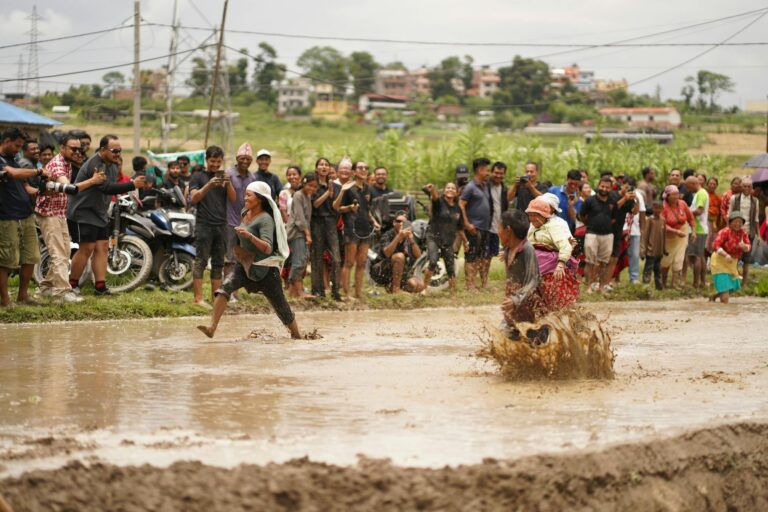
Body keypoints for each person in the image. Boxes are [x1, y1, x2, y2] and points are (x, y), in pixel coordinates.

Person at [197, 181, 300, 339]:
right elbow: (240, 236)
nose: (244, 198)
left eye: (248, 195)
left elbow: (267, 247)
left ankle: (297, 335)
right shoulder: (245, 212)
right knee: (224, 289)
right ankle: (211, 328)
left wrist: (250, 237)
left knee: (281, 306)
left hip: (266, 269)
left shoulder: (266, 219)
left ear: (259, 198)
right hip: (245, 265)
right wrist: (238, 247)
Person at [67, 135, 145, 295]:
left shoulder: (113, 165)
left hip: (100, 213)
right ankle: (72, 284)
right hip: (83, 212)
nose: (118, 154)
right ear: (103, 150)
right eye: (114, 150)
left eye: (120, 151)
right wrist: (132, 185)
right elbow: (106, 187)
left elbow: (112, 187)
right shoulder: (96, 164)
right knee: (86, 248)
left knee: (102, 247)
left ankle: (100, 286)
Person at [35, 134, 105, 304]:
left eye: (79, 149)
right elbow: (71, 189)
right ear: (62, 148)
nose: (77, 152)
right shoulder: (58, 165)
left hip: (60, 213)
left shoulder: (68, 163)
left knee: (65, 252)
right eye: (72, 148)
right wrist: (93, 180)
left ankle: (45, 289)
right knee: (58, 254)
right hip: (48, 214)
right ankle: (61, 293)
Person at [0, 128, 49, 307]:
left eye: (21, 147)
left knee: (31, 256)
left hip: (26, 214)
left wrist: (42, 191)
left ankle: (23, 296)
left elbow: (26, 187)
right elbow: (13, 173)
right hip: (6, 217)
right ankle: (5, 300)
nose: (18, 150)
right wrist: (38, 172)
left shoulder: (15, 160)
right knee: (6, 260)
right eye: (17, 146)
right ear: (6, 141)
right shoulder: (3, 162)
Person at [189, 145, 236, 306]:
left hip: (221, 225)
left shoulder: (225, 177)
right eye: (212, 161)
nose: (215, 165)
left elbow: (233, 199)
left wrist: (229, 184)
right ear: (206, 160)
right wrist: (209, 184)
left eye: (218, 161)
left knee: (218, 263)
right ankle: (198, 299)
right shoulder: (197, 176)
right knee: (201, 261)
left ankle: (216, 299)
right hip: (204, 225)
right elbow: (194, 199)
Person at [335, 160, 379, 300]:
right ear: (354, 171)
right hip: (351, 228)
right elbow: (337, 207)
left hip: (366, 229)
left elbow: (367, 210)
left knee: (362, 263)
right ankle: (347, 294)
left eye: (366, 168)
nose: (363, 170)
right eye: (360, 168)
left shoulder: (368, 189)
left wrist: (374, 221)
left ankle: (358, 293)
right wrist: (349, 208)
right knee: (349, 262)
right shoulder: (348, 188)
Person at [525, 198, 580, 311]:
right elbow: (526, 242)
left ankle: (564, 319)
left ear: (545, 215)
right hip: (533, 264)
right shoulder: (532, 225)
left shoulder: (556, 225)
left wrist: (560, 264)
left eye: (536, 215)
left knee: (555, 297)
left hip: (551, 266)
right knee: (530, 296)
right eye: (530, 215)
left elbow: (565, 245)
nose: (532, 218)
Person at [224, 143, 257, 299]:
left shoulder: (253, 177)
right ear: (238, 159)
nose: (245, 161)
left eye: (248, 159)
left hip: (246, 223)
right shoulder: (228, 174)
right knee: (230, 258)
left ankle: (235, 292)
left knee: (242, 258)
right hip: (230, 221)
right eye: (242, 158)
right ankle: (227, 291)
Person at [500, 209, 541, 327]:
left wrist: (516, 299)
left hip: (527, 307)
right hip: (513, 310)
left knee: (529, 335)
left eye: (499, 229)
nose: (498, 233)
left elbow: (534, 280)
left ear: (508, 230)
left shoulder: (527, 249)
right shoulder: (508, 250)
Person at [309, 157, 342, 300]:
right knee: (317, 258)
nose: (324, 167)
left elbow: (337, 206)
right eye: (321, 165)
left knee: (336, 258)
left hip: (331, 223)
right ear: (316, 168)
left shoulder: (336, 186)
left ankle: (335, 291)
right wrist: (327, 193)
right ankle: (318, 290)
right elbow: (315, 204)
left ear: (329, 169)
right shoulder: (313, 185)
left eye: (326, 165)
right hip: (316, 221)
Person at [423, 182, 464, 295]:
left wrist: (466, 242)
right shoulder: (439, 202)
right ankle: (423, 288)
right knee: (433, 261)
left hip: (447, 240)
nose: (450, 190)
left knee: (450, 267)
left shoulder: (457, 209)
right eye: (448, 188)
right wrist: (433, 189)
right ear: (444, 190)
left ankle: (453, 293)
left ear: (457, 192)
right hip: (433, 237)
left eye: (453, 188)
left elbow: (460, 228)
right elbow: (435, 197)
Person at [372, 211, 424, 293]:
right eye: (398, 221)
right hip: (382, 271)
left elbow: (418, 255)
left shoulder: (409, 236)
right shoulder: (388, 235)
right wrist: (399, 236)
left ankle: (392, 287)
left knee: (420, 285)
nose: (401, 224)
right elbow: (387, 253)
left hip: (401, 272)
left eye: (404, 222)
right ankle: (395, 289)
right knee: (399, 256)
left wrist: (411, 240)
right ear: (394, 222)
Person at [459, 157, 492, 290]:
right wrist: (467, 224)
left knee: (479, 256)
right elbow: (461, 204)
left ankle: (475, 283)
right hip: (473, 227)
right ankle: (470, 285)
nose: (488, 173)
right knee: (471, 257)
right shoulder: (470, 187)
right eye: (487, 170)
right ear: (479, 170)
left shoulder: (484, 186)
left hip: (484, 227)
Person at [579, 176, 616, 293]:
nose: (604, 189)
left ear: (610, 188)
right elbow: (581, 215)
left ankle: (601, 286)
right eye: (602, 186)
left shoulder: (612, 201)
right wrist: (590, 224)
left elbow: (614, 218)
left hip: (608, 235)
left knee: (604, 262)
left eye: (607, 187)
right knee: (590, 261)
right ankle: (589, 286)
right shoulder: (590, 200)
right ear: (598, 186)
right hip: (592, 233)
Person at [286, 173, 317, 298]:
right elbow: (299, 218)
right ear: (304, 183)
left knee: (302, 260)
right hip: (297, 232)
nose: (312, 188)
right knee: (299, 261)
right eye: (310, 185)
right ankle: (299, 291)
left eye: (315, 187)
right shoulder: (298, 195)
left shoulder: (308, 196)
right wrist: (308, 234)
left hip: (303, 232)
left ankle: (293, 292)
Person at [709, 211, 751, 303]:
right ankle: (724, 314)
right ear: (730, 222)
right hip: (720, 261)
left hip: (732, 262)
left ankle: (713, 296)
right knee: (725, 297)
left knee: (732, 288)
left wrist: (744, 246)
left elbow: (748, 246)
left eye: (740, 222)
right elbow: (716, 245)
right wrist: (726, 255)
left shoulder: (743, 233)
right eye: (735, 222)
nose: (738, 224)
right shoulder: (724, 232)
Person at [659, 185, 695, 289]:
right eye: (673, 194)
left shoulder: (682, 203)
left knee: (679, 258)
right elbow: (662, 224)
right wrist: (675, 231)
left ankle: (674, 284)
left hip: (682, 233)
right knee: (666, 260)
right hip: (668, 235)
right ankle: (663, 283)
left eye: (677, 194)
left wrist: (693, 231)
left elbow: (690, 218)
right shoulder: (663, 207)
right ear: (667, 196)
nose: (676, 196)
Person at [604, 179, 637, 289]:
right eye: (626, 187)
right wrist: (625, 198)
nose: (627, 190)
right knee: (603, 258)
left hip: (618, 231)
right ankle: (597, 282)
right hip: (606, 230)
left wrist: (636, 199)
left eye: (629, 189)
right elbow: (613, 208)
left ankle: (607, 283)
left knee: (614, 258)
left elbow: (634, 211)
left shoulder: (629, 199)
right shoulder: (612, 195)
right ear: (621, 186)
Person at [728, 176, 759, 283]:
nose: (746, 188)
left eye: (749, 186)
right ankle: (734, 279)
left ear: (752, 188)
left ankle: (744, 282)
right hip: (735, 232)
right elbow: (729, 215)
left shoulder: (755, 201)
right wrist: (728, 230)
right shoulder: (734, 198)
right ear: (741, 187)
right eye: (744, 186)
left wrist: (758, 235)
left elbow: (756, 219)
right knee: (734, 257)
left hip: (749, 232)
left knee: (746, 259)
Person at [485, 161, 508, 288]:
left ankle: (486, 281)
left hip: (498, 226)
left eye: (501, 173)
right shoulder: (485, 185)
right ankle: (483, 282)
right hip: (486, 225)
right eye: (496, 172)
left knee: (493, 254)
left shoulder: (504, 188)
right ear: (491, 172)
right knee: (485, 256)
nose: (498, 175)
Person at [684, 175, 709, 289]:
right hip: (700, 229)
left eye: (689, 187)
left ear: (694, 184)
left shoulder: (701, 194)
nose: (688, 190)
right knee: (701, 256)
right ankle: (702, 282)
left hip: (698, 229)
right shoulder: (700, 193)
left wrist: (686, 214)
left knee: (695, 257)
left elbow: (699, 211)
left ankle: (696, 283)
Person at [640, 200, 666, 290]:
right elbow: (645, 236)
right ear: (652, 208)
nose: (657, 210)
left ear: (662, 209)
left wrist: (664, 249)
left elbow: (664, 235)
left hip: (659, 251)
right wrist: (643, 250)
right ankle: (646, 286)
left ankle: (659, 286)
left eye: (659, 208)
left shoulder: (663, 221)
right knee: (648, 268)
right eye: (655, 208)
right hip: (651, 251)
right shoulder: (650, 220)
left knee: (658, 269)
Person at [706, 177, 722, 253]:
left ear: (716, 185)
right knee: (706, 239)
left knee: (713, 240)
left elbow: (720, 210)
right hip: (706, 221)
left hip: (715, 222)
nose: (712, 185)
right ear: (707, 184)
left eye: (714, 184)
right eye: (710, 184)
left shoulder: (718, 198)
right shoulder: (704, 195)